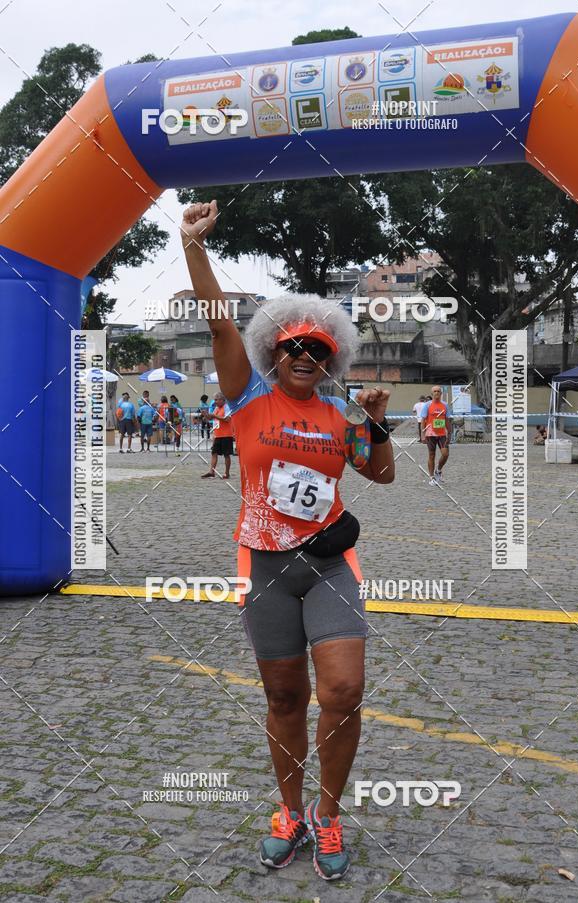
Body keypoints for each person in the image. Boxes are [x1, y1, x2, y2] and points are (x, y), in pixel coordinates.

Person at [181, 199, 395, 881]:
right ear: (275, 350)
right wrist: (193, 247)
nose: (304, 354)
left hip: (329, 567)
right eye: (293, 345)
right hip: (266, 566)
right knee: (281, 698)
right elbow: (219, 324)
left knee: (343, 689)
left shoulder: (340, 413)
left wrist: (378, 424)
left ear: (331, 357)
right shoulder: (247, 398)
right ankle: (291, 811)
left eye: (318, 347)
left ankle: (329, 818)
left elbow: (383, 473)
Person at [420, 386, 452, 485]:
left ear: (441, 393)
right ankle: (431, 477)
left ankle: (438, 470)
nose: (437, 393)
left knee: (445, 454)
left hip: (442, 434)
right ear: (432, 393)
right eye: (435, 391)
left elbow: (447, 420)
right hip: (430, 434)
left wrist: (449, 433)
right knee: (431, 455)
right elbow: (423, 420)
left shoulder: (445, 405)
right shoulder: (427, 405)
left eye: (438, 391)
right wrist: (423, 434)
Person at [201, 391, 233, 479]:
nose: (215, 402)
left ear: (222, 400)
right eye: (214, 400)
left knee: (226, 455)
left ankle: (227, 473)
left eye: (216, 400)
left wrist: (214, 416)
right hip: (218, 434)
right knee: (214, 453)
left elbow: (227, 419)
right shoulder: (216, 408)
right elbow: (211, 418)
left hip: (226, 435)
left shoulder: (227, 407)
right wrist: (206, 415)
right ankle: (212, 471)